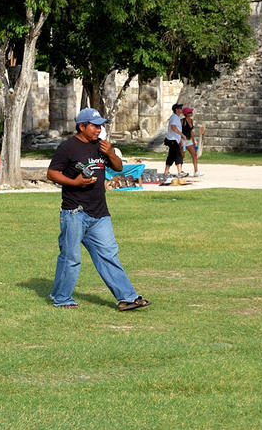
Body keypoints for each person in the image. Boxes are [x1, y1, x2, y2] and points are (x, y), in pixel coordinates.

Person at [46, 108, 150, 311]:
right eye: (94, 126)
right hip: (74, 212)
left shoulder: (101, 147)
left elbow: (119, 168)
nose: (98, 130)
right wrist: (74, 182)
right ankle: (61, 298)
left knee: (109, 255)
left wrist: (110, 153)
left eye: (100, 126)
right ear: (82, 126)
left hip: (100, 213)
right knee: (71, 258)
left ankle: (127, 297)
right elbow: (51, 173)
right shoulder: (68, 148)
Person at [163, 103, 186, 180]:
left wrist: (180, 139)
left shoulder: (175, 117)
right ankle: (180, 172)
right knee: (178, 155)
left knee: (171, 156)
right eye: (180, 109)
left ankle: (166, 172)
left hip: (174, 140)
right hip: (172, 140)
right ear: (176, 110)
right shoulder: (174, 117)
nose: (181, 110)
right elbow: (173, 127)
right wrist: (182, 135)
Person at [181, 107, 203, 177]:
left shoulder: (191, 121)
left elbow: (191, 132)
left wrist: (193, 141)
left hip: (189, 140)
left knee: (194, 155)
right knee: (182, 156)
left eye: (191, 112)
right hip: (183, 140)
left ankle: (196, 171)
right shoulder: (182, 121)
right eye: (189, 112)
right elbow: (179, 131)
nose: (191, 113)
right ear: (186, 114)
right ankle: (180, 171)